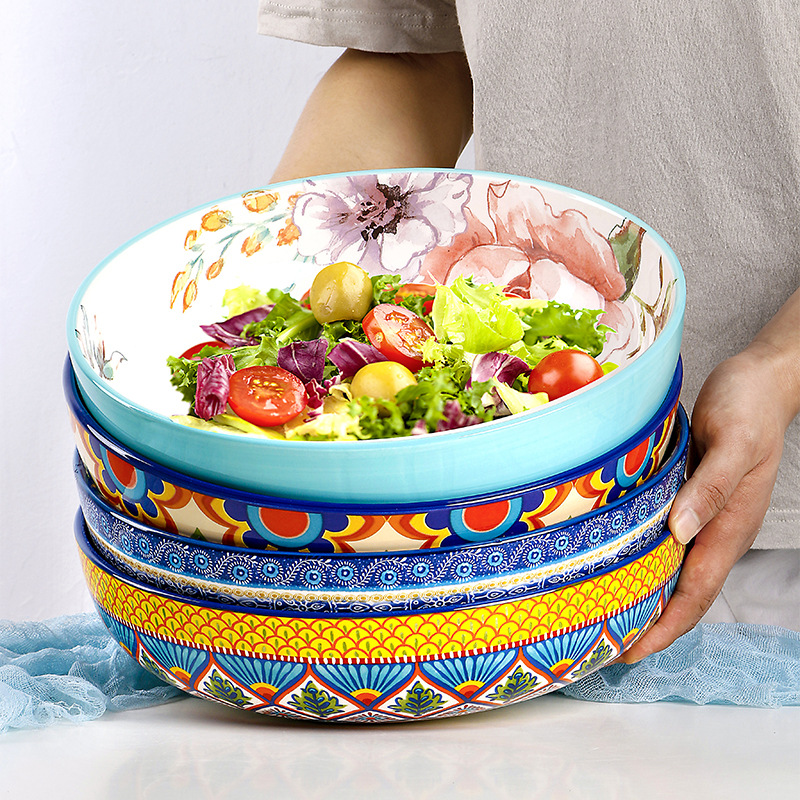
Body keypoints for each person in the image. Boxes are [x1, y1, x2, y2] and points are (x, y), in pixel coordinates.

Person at [256, 1, 800, 661]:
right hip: (472, 544)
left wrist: (780, 368)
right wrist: (283, 311)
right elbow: (414, 52)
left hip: (779, 546)